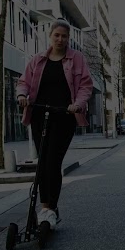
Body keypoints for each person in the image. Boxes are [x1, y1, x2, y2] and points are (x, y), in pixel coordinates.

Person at [16, 19, 93, 228]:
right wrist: (22, 95)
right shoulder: (38, 59)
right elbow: (24, 82)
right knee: (42, 163)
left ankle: (50, 208)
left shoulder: (76, 59)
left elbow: (85, 86)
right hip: (39, 115)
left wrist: (78, 104)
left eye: (64, 36)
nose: (60, 39)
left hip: (64, 117)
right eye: (56, 35)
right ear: (50, 36)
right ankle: (46, 207)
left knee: (52, 162)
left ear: (69, 38)